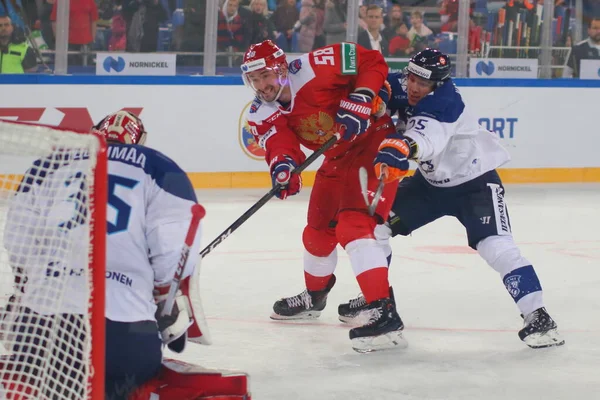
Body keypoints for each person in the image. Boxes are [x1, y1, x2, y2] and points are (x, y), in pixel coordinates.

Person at [338, 48, 565, 350]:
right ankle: (379, 303)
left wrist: (401, 146)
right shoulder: (406, 84)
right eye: (413, 78)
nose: (416, 87)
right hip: (429, 187)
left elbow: (426, 138)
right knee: (373, 227)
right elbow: (378, 84)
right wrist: (368, 96)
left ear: (440, 83)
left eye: (425, 82)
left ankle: (538, 316)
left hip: (474, 185)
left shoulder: (446, 103)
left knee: (495, 247)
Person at [3, 111, 206, 399]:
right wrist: (161, 298)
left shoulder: (49, 164)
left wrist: (35, 282)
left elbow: (18, 241)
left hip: (39, 329)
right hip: (122, 335)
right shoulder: (161, 167)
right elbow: (174, 254)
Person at [241, 39, 404, 353]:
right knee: (316, 233)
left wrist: (362, 95)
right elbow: (280, 144)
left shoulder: (315, 66)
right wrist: (284, 167)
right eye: (255, 79)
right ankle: (315, 298)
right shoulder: (261, 112)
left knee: (353, 225)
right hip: (337, 157)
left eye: (265, 76)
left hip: (374, 144)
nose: (261, 86)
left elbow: (372, 61)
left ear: (281, 69)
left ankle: (385, 312)